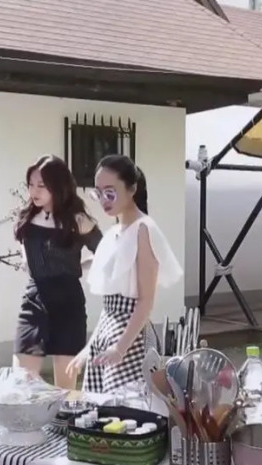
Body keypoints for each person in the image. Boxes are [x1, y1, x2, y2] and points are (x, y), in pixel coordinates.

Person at [66, 154, 182, 394]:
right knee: (101, 410)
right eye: (99, 193)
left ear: (132, 189)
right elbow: (109, 308)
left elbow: (145, 301)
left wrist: (120, 348)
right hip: (107, 334)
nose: (103, 200)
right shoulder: (113, 233)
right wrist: (89, 347)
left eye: (110, 193)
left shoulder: (143, 229)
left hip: (131, 336)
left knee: (124, 408)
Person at [14, 155, 103, 389]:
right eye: (31, 184)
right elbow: (26, 253)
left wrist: (81, 267)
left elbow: (106, 253)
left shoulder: (78, 221)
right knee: (21, 381)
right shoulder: (27, 217)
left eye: (41, 185)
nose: (34, 191)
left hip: (68, 302)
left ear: (57, 186)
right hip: (35, 299)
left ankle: (62, 415)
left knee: (64, 390)